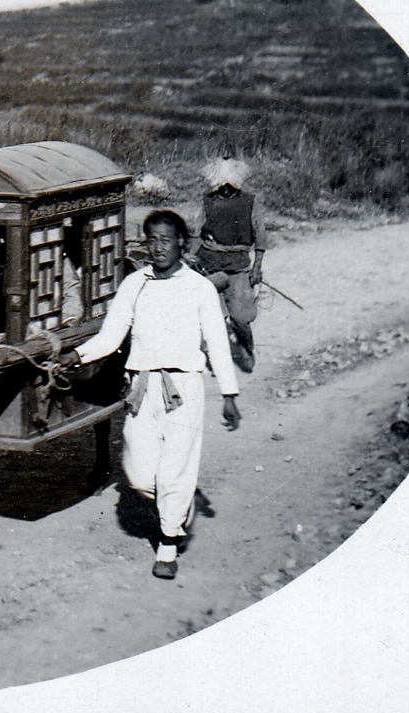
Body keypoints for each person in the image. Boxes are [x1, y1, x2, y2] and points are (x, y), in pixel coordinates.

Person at [62, 210, 241, 580]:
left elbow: (217, 345)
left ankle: (168, 543)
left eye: (165, 240)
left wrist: (229, 393)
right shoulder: (135, 284)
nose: (157, 248)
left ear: (181, 243)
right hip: (142, 388)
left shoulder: (199, 288)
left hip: (185, 388)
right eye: (151, 240)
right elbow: (111, 337)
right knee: (141, 474)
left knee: (175, 467)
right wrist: (76, 356)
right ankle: (177, 506)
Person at [194, 156, 266, 373]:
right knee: (214, 318)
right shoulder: (207, 200)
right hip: (211, 264)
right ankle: (217, 360)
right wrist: (190, 255)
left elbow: (260, 234)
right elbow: (197, 231)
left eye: (229, 186)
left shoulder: (250, 202)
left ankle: (247, 348)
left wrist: (257, 266)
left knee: (240, 317)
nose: (225, 190)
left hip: (239, 266)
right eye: (221, 186)